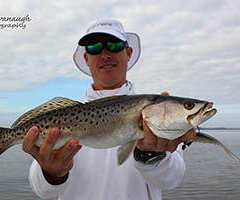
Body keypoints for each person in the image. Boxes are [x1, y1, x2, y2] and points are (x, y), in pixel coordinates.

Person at [22, 19, 196, 200]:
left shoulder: (162, 122)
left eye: (114, 45)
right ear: (86, 58)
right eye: (94, 47)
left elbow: (171, 180)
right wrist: (52, 173)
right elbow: (42, 190)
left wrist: (151, 156)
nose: (105, 54)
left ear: (128, 52)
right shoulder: (65, 116)